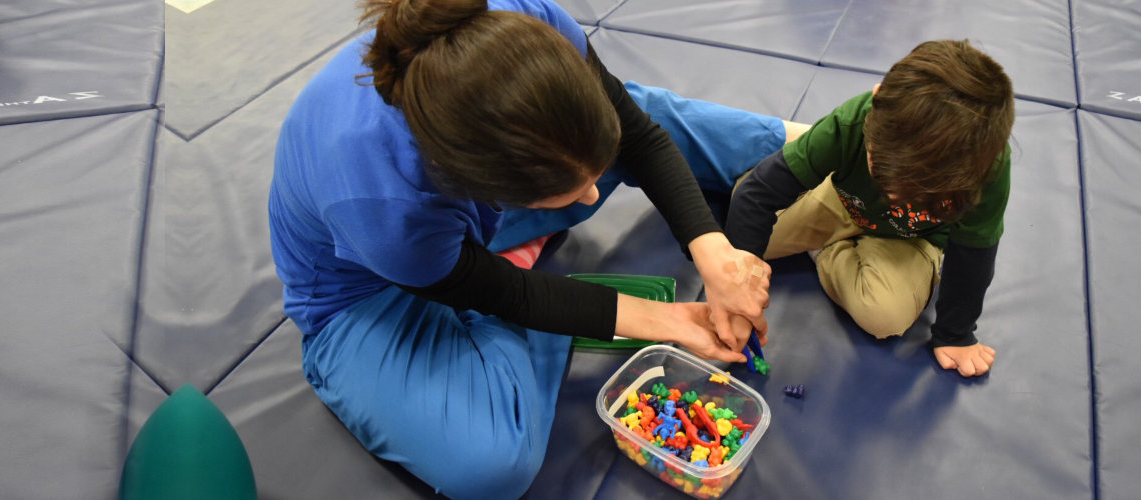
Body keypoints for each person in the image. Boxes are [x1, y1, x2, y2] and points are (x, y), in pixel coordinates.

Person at [267, 0, 780, 496]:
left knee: (621, 121)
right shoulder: (385, 204)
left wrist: (715, 255)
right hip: (365, 295)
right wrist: (668, 321)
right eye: (570, 193)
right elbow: (506, 295)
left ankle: (792, 143)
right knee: (492, 466)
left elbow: (640, 137)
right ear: (483, 188)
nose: (594, 197)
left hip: (457, 235)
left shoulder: (525, 16)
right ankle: (517, 268)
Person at [726, 40, 1015, 377]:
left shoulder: (986, 168)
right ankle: (810, 158)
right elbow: (756, 195)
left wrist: (955, 334)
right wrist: (737, 294)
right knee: (742, 220)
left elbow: (974, 255)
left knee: (884, 317)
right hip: (843, 200)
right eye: (882, 170)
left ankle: (825, 248)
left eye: (915, 193)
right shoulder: (855, 119)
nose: (894, 197)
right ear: (877, 99)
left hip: (910, 239)